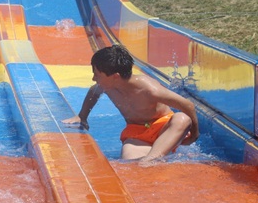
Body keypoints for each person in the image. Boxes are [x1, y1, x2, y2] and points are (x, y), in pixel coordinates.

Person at [62, 44, 198, 162]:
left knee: (182, 118)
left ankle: (151, 158)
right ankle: (152, 157)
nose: (93, 78)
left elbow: (188, 105)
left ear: (115, 76)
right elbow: (94, 92)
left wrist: (194, 134)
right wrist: (82, 116)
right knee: (131, 164)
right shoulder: (107, 86)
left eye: (97, 74)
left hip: (162, 129)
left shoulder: (149, 89)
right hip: (137, 134)